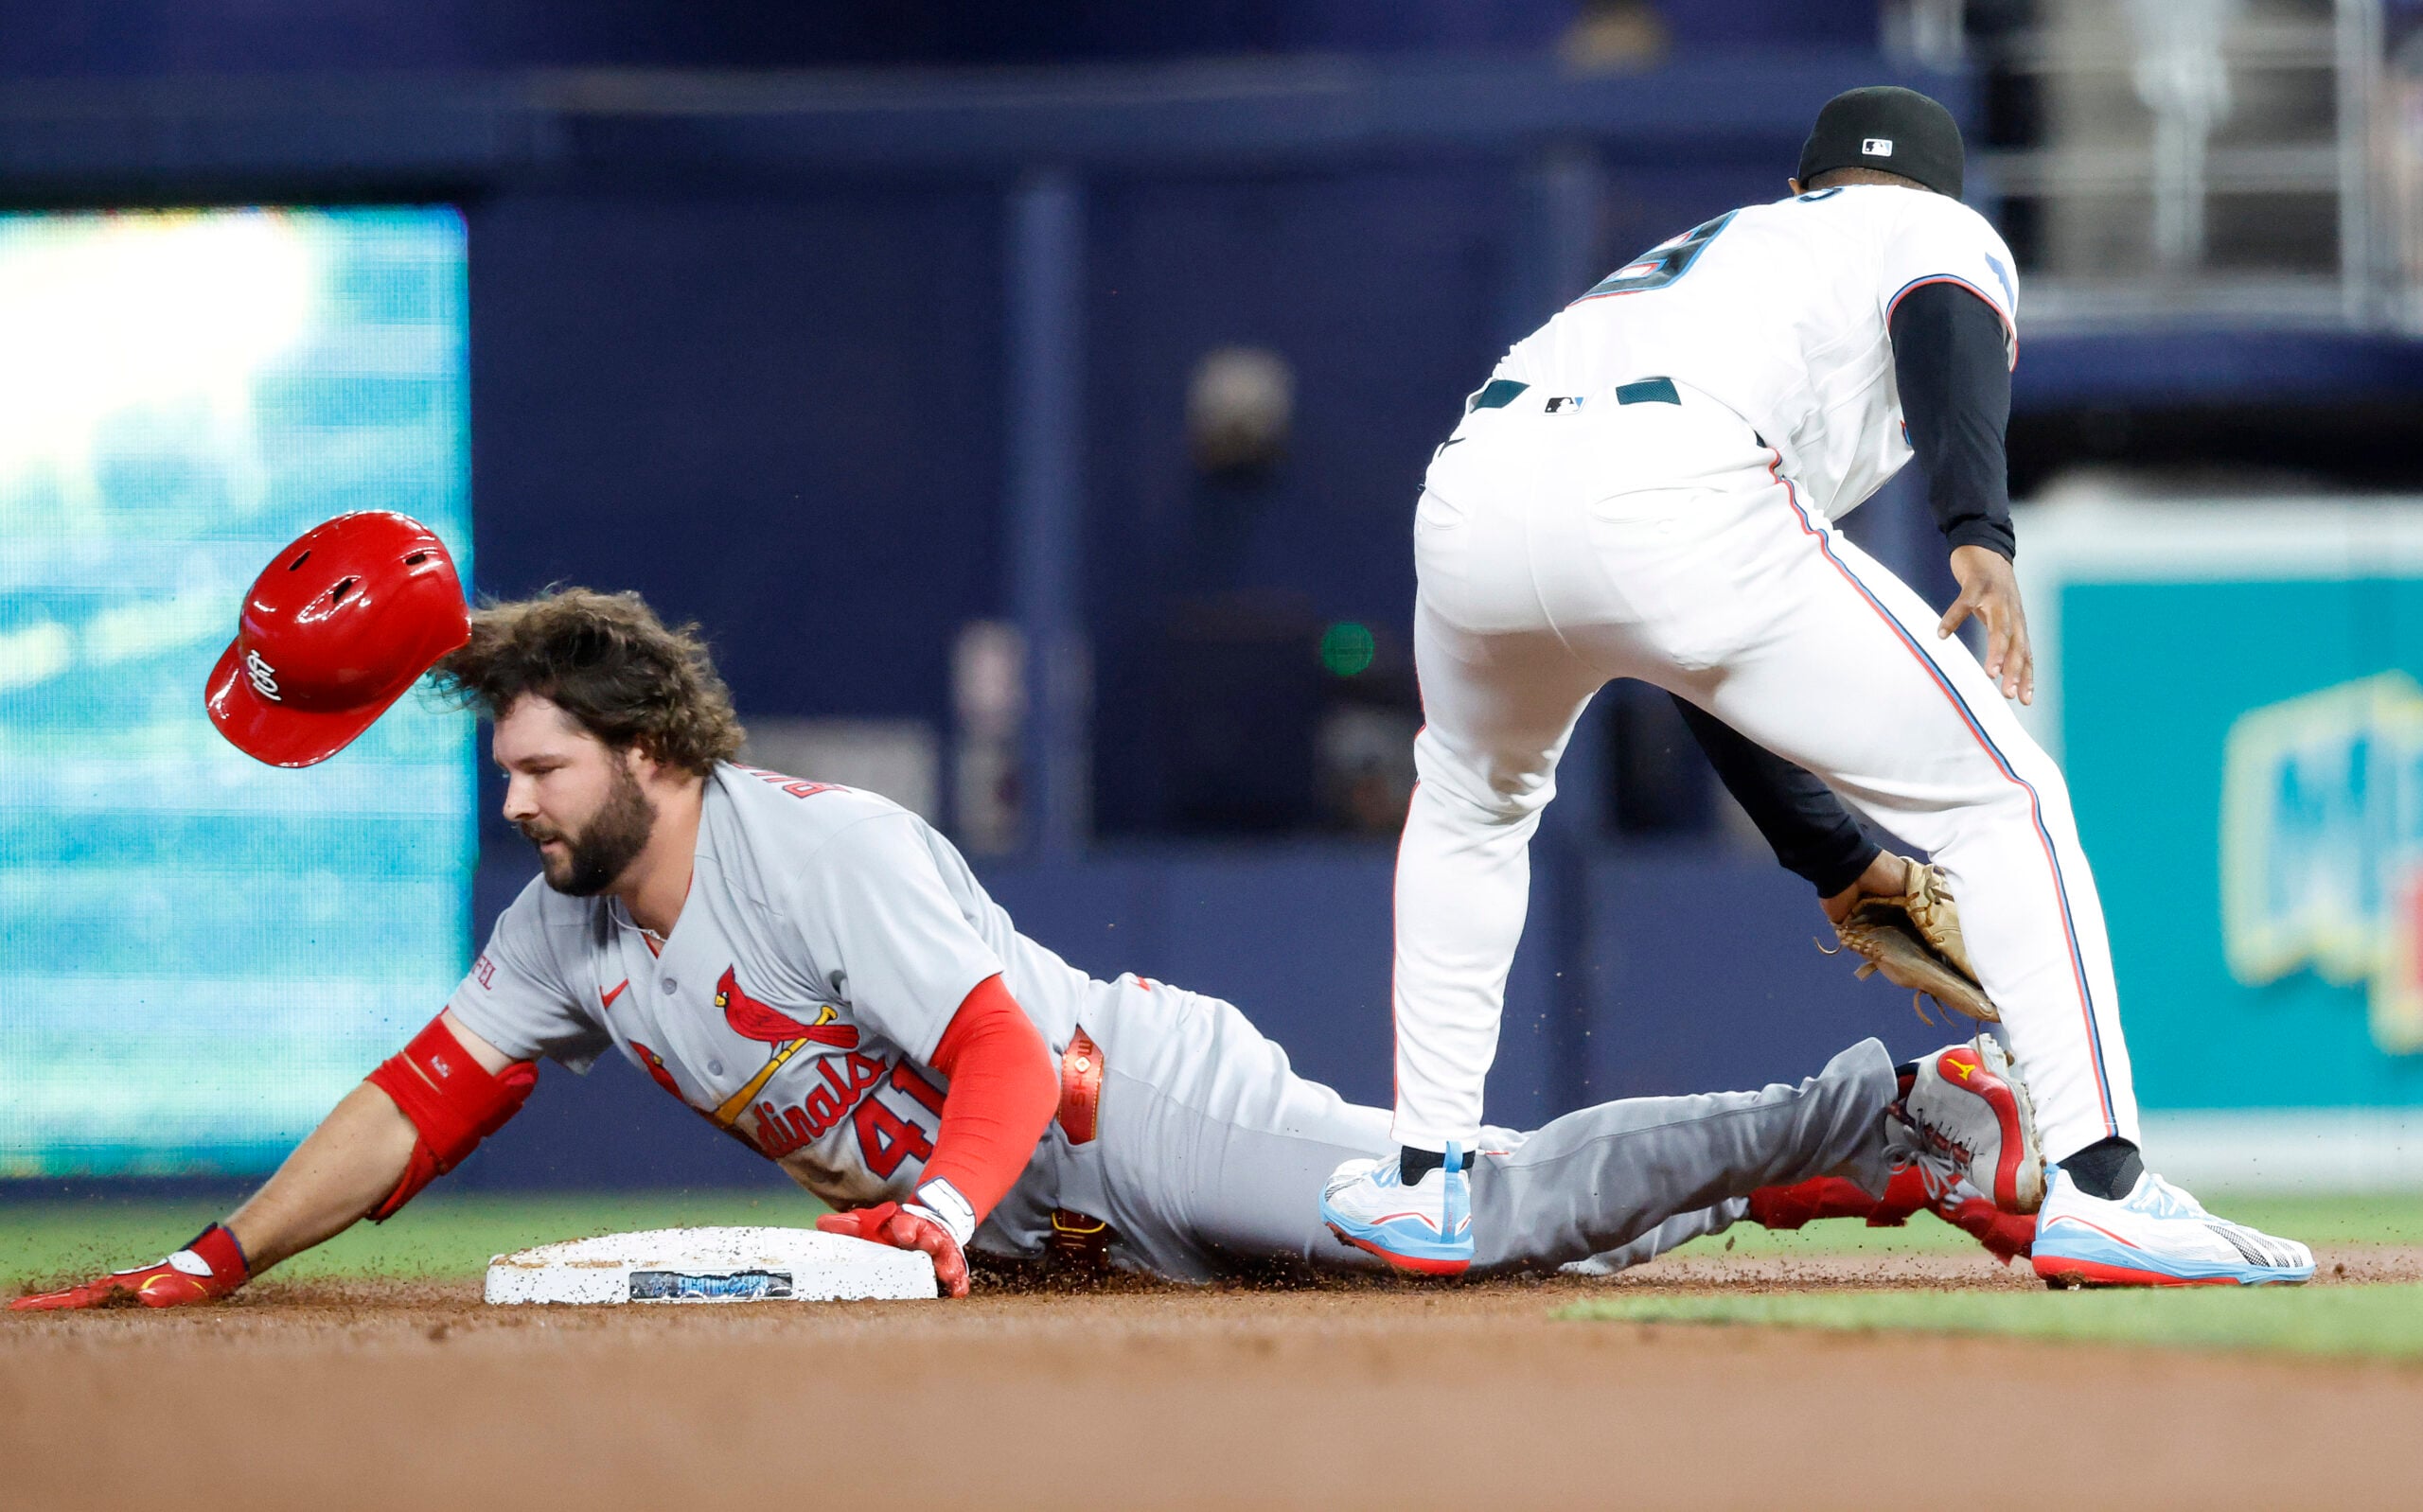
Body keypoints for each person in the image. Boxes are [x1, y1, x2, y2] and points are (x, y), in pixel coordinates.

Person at [16, 584, 2043, 1309]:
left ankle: (1883, 1102)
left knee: (1471, 1220)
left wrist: (920, 1220)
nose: (516, 806)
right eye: (507, 777)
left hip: (1126, 1111)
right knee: (1516, 1266)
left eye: (540, 766)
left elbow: (997, 1057)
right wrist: (217, 1251)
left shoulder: (815, 852)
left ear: (642, 745)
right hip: (1038, 1225)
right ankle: (1889, 1147)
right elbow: (415, 1102)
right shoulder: (560, 937)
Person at [1319, 85, 2314, 1289]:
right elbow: (1944, 317)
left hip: (1474, 485)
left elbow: (1696, 652)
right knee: (2007, 800)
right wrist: (1977, 529)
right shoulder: (1925, 228)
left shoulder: (1713, 256)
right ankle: (2105, 1190)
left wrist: (1838, 858)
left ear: (1801, 184)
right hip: (1677, 480)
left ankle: (1423, 1180)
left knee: (1471, 806)